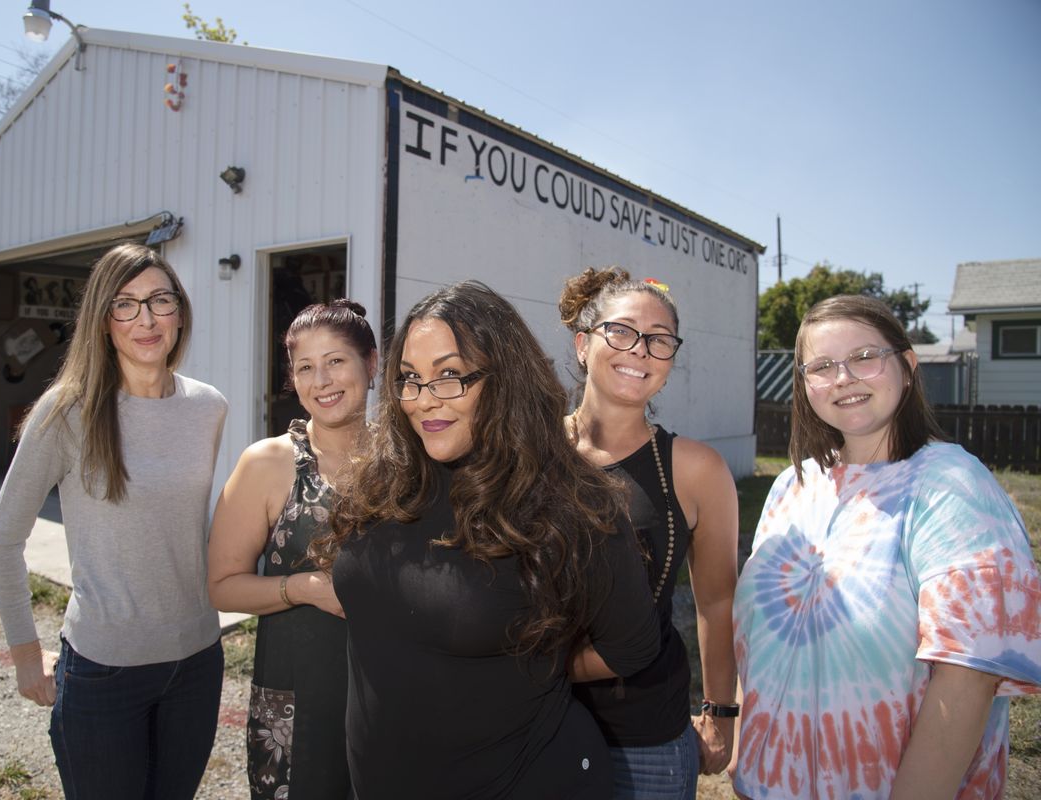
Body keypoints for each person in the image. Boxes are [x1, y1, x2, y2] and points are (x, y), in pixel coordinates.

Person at [310, 280, 663, 799]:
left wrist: (528, 663)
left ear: (504, 381)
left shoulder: (573, 505)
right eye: (410, 378)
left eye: (450, 376)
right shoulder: (384, 481)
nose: (424, 401)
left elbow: (631, 647)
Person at [731, 294, 1041, 799]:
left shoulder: (951, 486)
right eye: (823, 365)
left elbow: (970, 674)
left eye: (864, 357)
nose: (843, 378)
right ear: (805, 383)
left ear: (908, 366)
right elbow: (757, 633)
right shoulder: (794, 485)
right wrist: (748, 759)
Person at [0, 243, 228, 800]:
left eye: (159, 300)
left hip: (196, 661)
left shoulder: (207, 406)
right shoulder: (66, 411)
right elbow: (4, 539)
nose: (145, 319)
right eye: (125, 304)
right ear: (102, 319)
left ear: (180, 312)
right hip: (104, 669)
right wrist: (25, 653)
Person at [557, 268, 740, 799]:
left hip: (646, 744)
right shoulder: (533, 452)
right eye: (621, 332)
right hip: (535, 722)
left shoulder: (696, 469)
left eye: (659, 340)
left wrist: (721, 712)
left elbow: (716, 603)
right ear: (583, 345)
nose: (639, 350)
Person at [208, 299, 378, 799]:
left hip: (389, 696)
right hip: (296, 701)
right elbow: (221, 586)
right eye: (306, 367)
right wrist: (303, 588)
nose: (321, 380)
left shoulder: (403, 460)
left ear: (370, 364)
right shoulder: (268, 462)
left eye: (336, 361)